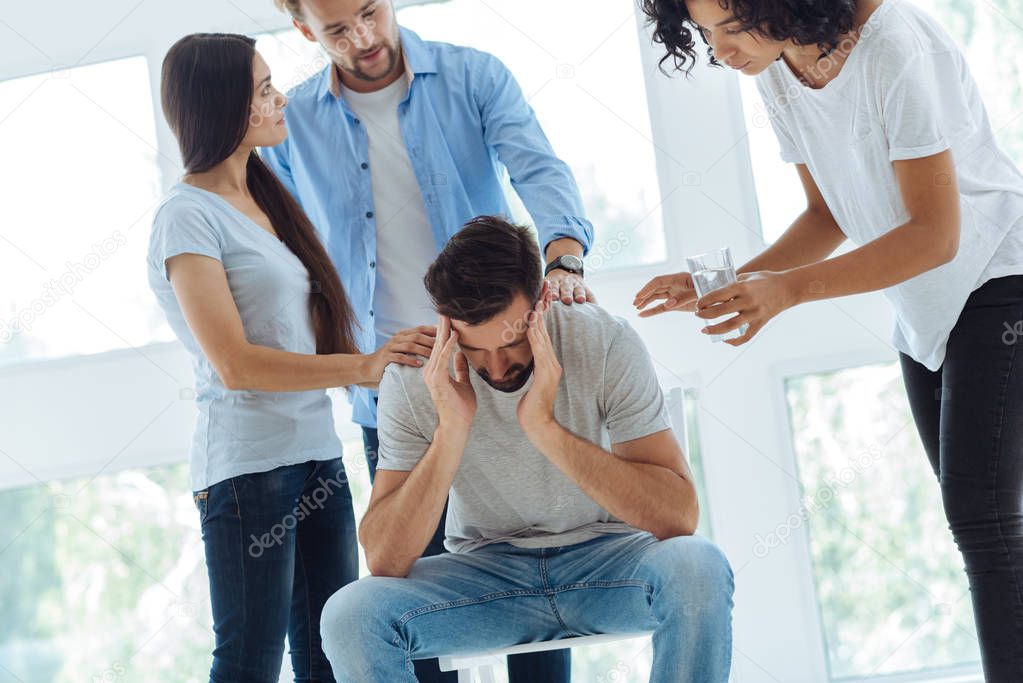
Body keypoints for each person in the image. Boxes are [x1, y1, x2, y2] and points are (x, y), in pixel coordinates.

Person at [635, 0, 1023, 677]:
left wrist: (785, 292)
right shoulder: (778, 66)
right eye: (702, 33)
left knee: (984, 523)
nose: (719, 51)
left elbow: (935, 234)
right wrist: (730, 280)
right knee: (989, 524)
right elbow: (826, 214)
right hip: (925, 312)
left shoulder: (893, 45)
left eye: (730, 27)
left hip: (997, 279)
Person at [262, 0, 596, 678]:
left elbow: (537, 168)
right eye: (335, 30)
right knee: (414, 595)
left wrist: (562, 259)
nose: (363, 38)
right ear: (303, 31)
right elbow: (284, 254)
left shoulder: (474, 77)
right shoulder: (291, 121)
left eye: (369, 12)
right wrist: (339, 360)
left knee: (533, 575)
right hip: (398, 391)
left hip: (502, 371)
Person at [319, 216, 734, 682]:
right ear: (447, 323)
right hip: (487, 580)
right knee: (349, 614)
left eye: (512, 342)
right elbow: (386, 558)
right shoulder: (416, 379)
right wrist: (452, 428)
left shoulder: (602, 339)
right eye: (476, 349)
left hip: (608, 567)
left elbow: (678, 516)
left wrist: (543, 427)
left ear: (541, 300)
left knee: (699, 568)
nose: (496, 368)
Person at [150, 33, 434, 682]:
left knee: (328, 655)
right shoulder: (186, 216)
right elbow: (237, 364)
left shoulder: (264, 196)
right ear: (226, 104)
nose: (280, 100)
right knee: (251, 660)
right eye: (263, 88)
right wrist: (362, 366)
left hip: (315, 453)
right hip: (249, 466)